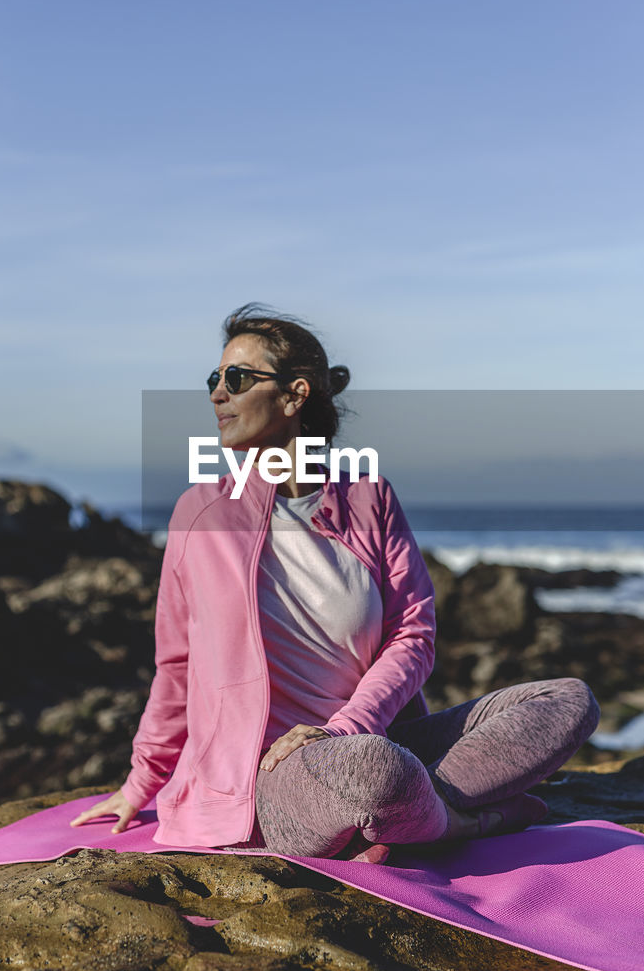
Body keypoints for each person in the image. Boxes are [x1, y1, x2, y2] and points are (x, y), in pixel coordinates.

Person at [72, 304, 600, 863]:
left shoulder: (370, 498)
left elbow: (412, 635)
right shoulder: (200, 513)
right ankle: (462, 817)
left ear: (294, 395)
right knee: (381, 774)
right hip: (270, 776)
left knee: (566, 699)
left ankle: (421, 816)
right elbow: (175, 665)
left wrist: (342, 730)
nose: (216, 395)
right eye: (213, 380)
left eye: (236, 378)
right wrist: (140, 784)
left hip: (366, 739)